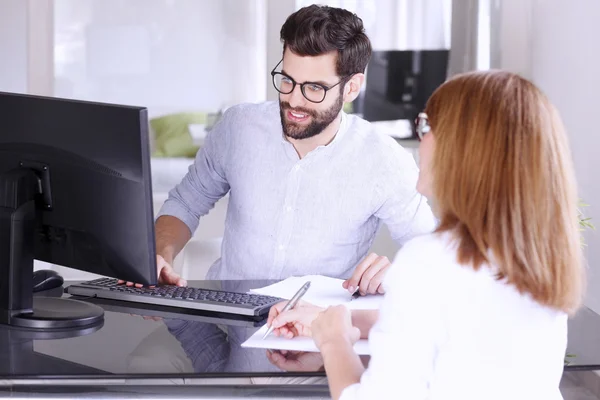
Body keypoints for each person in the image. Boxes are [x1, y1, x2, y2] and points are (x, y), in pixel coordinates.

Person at [266, 70, 585, 400]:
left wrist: (332, 345)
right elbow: (452, 326)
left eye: (427, 126)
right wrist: (328, 322)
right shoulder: (537, 257)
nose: (422, 139)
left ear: (465, 149)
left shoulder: (430, 262)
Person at [124, 5, 436, 292]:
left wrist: (395, 272)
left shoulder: (383, 159)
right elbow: (185, 203)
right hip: (227, 319)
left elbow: (434, 249)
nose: (294, 100)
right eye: (287, 80)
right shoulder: (238, 127)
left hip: (316, 332)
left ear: (351, 87)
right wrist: (160, 255)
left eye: (314, 87)